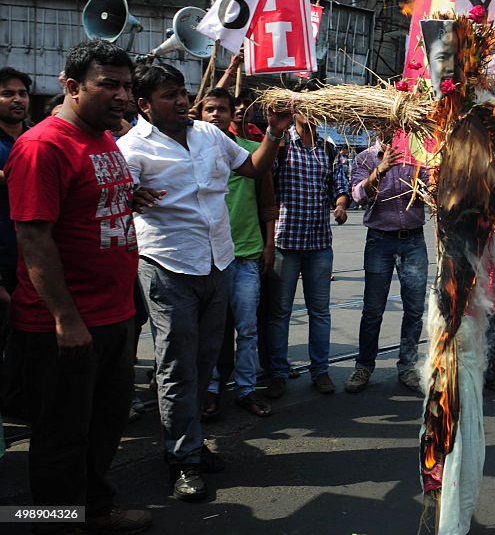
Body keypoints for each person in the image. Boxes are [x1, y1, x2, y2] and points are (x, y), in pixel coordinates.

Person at [118, 63, 292, 502]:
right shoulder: (130, 149)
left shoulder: (210, 135)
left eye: (182, 93)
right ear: (144, 105)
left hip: (219, 264)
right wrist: (128, 197)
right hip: (167, 266)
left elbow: (251, 170)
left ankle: (190, 444)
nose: (182, 102)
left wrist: (273, 133)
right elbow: (111, 202)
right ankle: (184, 460)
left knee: (204, 361)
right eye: (169, 96)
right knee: (176, 365)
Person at [6, 40, 151, 532]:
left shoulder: (103, 136)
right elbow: (34, 236)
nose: (122, 96)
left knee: (103, 425)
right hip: (64, 326)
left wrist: (132, 196)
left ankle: (92, 510)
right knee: (61, 435)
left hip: (114, 316)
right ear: (72, 86)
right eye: (108, 85)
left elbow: (91, 203)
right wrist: (65, 319)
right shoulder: (43, 145)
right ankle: (52, 522)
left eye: (127, 86)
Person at [200, 88, 277, 418]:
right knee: (212, 331)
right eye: (209, 109)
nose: (216, 114)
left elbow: (268, 206)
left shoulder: (250, 153)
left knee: (246, 329)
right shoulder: (188, 152)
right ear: (200, 114)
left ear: (234, 115)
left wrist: (269, 245)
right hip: (208, 259)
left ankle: (245, 389)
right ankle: (211, 389)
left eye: (222, 109)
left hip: (246, 256)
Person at [264, 111, 350, 399]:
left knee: (320, 312)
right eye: (305, 109)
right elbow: (266, 177)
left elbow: (340, 186)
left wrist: (340, 205)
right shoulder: (283, 144)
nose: (311, 116)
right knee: (280, 313)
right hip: (284, 243)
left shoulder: (328, 148)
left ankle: (320, 370)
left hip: (319, 244)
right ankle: (277, 372)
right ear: (295, 113)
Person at [345, 136, 428, 394]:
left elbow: (430, 188)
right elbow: (357, 195)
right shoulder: (365, 158)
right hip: (379, 241)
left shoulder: (417, 156)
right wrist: (378, 172)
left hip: (413, 240)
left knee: (414, 309)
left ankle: (407, 366)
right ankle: (364, 366)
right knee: (373, 310)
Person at [0, 67, 32, 415]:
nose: (17, 99)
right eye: (8, 93)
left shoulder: (36, 137)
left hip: (31, 257)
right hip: (2, 256)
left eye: (22, 93)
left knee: (26, 339)